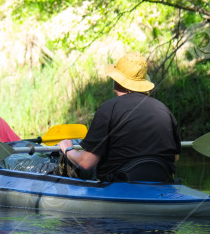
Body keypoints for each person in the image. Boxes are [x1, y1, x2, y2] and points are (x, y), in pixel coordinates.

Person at [56, 52, 181, 182]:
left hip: (119, 183)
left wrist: (68, 149)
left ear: (117, 81)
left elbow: (86, 163)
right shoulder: (163, 109)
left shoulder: (109, 108)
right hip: (161, 182)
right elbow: (175, 158)